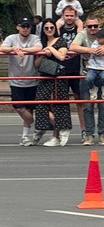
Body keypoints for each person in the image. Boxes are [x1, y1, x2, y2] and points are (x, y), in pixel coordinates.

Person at [70, 15, 104, 145]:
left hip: (103, 73)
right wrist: (90, 50)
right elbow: (73, 47)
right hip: (87, 73)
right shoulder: (82, 35)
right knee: (87, 106)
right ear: (85, 26)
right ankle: (89, 135)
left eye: (95, 26)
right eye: (90, 26)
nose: (93, 28)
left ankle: (102, 134)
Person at [0, 17, 43, 146]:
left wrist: (23, 50)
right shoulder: (11, 38)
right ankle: (38, 125)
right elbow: (2, 48)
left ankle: (25, 136)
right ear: (18, 27)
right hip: (16, 80)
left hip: (32, 79)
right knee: (19, 107)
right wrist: (14, 49)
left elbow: (38, 47)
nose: (25, 29)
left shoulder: (34, 38)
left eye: (28, 26)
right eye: (23, 26)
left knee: (29, 109)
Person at [33, 19, 72, 147]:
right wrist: (43, 53)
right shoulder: (41, 43)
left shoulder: (60, 40)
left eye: (51, 28)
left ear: (55, 29)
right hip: (45, 75)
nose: (49, 30)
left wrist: (50, 48)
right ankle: (49, 127)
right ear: (43, 30)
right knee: (40, 102)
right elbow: (36, 64)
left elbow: (61, 56)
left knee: (58, 104)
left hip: (58, 76)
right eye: (46, 28)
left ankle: (57, 134)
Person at [56, 5, 86, 134]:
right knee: (61, 102)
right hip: (61, 69)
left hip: (76, 69)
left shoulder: (80, 31)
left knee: (79, 101)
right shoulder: (58, 29)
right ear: (63, 16)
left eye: (71, 15)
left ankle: (84, 130)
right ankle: (61, 131)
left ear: (75, 16)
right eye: (66, 15)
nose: (69, 18)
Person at [83, 28, 104, 108]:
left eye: (100, 38)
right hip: (93, 67)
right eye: (97, 38)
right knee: (88, 78)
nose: (98, 39)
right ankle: (92, 88)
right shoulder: (95, 43)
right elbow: (97, 50)